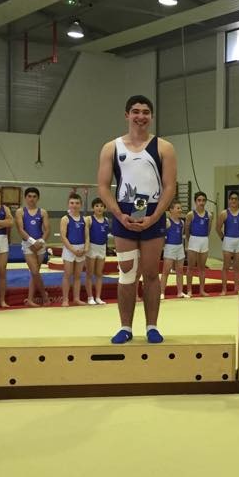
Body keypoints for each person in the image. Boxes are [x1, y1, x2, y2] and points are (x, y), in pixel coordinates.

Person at [97, 95, 177, 344]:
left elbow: (170, 186)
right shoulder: (111, 148)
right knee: (127, 273)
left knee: (152, 273)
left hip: (153, 213)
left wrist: (155, 216)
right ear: (126, 115)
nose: (141, 116)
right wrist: (118, 214)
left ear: (151, 116)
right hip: (124, 214)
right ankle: (125, 327)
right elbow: (102, 186)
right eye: (135, 111)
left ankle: (152, 326)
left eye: (145, 112)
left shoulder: (164, 148)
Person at [15, 188, 51, 307]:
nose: (32, 199)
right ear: (25, 198)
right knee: (35, 271)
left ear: (38, 198)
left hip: (40, 244)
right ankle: (44, 296)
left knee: (34, 274)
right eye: (29, 196)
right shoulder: (20, 212)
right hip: (28, 244)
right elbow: (21, 229)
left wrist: (40, 241)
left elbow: (47, 230)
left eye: (34, 196)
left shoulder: (43, 212)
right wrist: (31, 241)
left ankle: (30, 299)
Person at [59, 193, 89, 307]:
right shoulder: (65, 219)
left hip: (81, 249)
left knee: (77, 275)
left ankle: (76, 298)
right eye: (72, 203)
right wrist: (72, 249)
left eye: (77, 203)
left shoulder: (84, 219)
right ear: (68, 204)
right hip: (69, 248)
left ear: (80, 205)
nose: (74, 205)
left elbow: (86, 236)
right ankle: (65, 299)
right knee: (67, 274)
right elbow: (63, 236)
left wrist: (85, 248)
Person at [218, 190, 239, 295]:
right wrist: (223, 238)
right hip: (228, 240)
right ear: (229, 201)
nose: (233, 201)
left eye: (236, 199)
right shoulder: (224, 213)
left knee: (237, 267)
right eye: (232, 199)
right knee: (226, 266)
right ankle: (224, 289)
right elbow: (218, 228)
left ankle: (236, 288)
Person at [186, 191, 212, 298]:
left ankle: (202, 290)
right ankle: (189, 290)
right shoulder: (190, 214)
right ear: (195, 202)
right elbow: (186, 229)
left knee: (202, 267)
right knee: (190, 267)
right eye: (199, 200)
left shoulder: (209, 215)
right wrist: (190, 240)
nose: (201, 203)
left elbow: (209, 229)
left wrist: (204, 238)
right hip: (193, 239)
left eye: (203, 200)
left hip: (204, 240)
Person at [85, 198, 110, 305]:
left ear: (105, 208)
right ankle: (90, 297)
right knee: (90, 274)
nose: (99, 208)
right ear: (93, 208)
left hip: (102, 248)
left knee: (99, 273)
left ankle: (98, 297)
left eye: (101, 206)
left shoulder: (107, 220)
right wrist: (86, 247)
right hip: (91, 247)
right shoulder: (89, 219)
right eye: (96, 206)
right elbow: (86, 235)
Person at [161, 201, 187, 299]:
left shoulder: (182, 222)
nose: (180, 210)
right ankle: (162, 292)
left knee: (180, 271)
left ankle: (180, 292)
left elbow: (181, 235)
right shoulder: (167, 222)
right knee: (166, 271)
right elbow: (162, 235)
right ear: (171, 210)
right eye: (177, 208)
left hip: (179, 247)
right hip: (169, 247)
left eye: (180, 208)